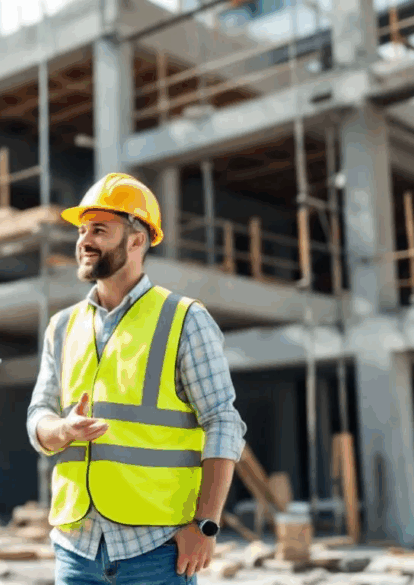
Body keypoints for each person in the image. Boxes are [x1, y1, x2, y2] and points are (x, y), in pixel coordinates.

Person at [26, 172, 248, 584]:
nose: (84, 241)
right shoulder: (61, 326)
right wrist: (61, 429)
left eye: (99, 230)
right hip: (77, 548)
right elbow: (38, 415)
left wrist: (206, 525)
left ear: (136, 240)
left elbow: (223, 421)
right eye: (82, 230)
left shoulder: (184, 318)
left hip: (157, 551)